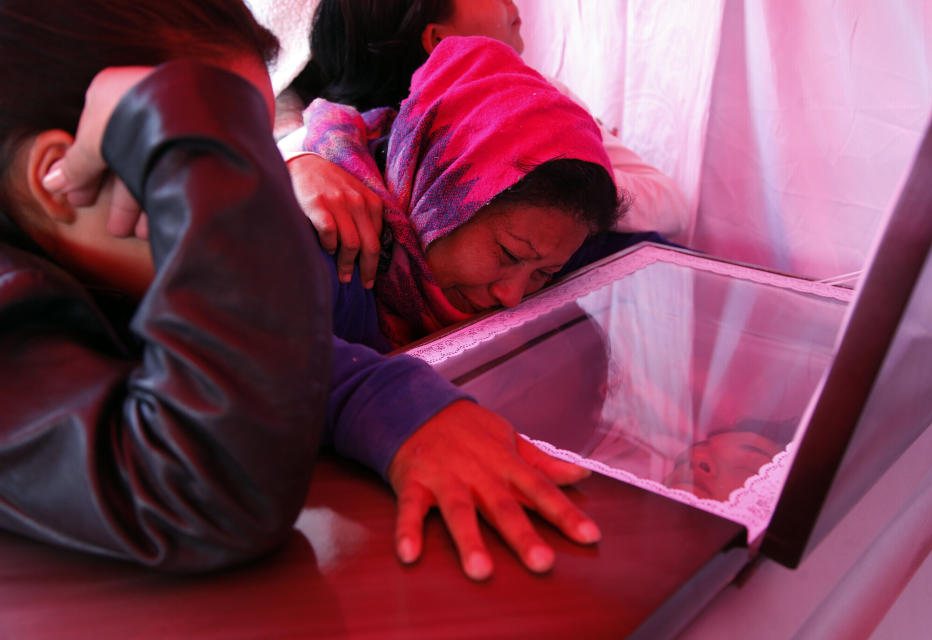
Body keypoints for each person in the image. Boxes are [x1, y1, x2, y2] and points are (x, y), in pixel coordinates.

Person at [0, 0, 601, 582]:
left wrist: (392, 401)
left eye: (258, 154)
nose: (266, 196)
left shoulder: (105, 270)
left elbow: (273, 344)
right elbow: (211, 493)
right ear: (62, 178)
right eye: (219, 158)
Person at [272, 0, 689, 288]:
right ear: (439, 42)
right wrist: (299, 164)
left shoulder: (544, 111)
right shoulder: (323, 150)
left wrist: (561, 181)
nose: (515, 8)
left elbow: (671, 203)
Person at [298, 35, 624, 348]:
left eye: (543, 274)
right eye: (509, 254)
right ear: (443, 189)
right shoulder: (327, 257)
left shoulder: (549, 236)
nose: (511, 297)